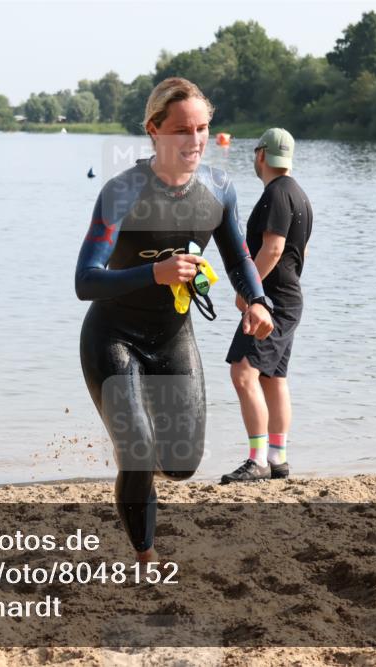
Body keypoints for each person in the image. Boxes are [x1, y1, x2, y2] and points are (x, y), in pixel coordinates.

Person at [75, 78, 274, 561]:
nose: (195, 140)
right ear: (154, 130)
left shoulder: (218, 190)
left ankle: (138, 472)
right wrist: (155, 272)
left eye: (203, 128)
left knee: (182, 465)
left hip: (171, 338)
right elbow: (86, 281)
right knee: (139, 450)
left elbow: (239, 259)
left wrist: (257, 300)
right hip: (113, 336)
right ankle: (144, 554)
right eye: (182, 129)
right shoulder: (121, 192)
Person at [221, 128, 313, 484]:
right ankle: (278, 457)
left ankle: (258, 460)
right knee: (274, 378)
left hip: (272, 302)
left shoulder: (275, 195)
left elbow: (273, 249)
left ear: (261, 155)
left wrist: (249, 291)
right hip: (289, 298)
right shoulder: (300, 195)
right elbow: (300, 252)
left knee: (243, 373)